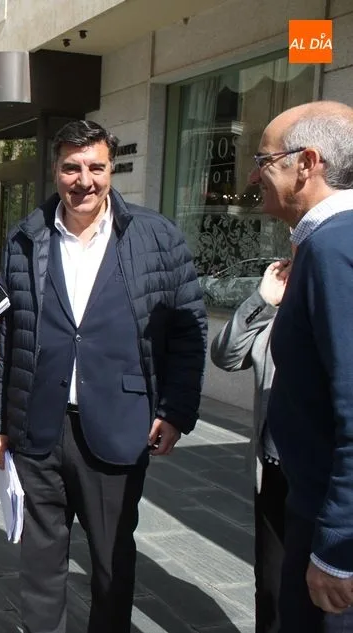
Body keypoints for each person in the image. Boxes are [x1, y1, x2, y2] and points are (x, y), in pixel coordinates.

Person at [0, 119, 207, 633]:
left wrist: (176, 411)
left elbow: (188, 329)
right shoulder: (25, 235)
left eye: (95, 167)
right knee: (40, 563)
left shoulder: (155, 235)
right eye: (71, 167)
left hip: (119, 423)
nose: (83, 179)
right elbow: (9, 335)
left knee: (110, 563)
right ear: (56, 169)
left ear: (111, 169)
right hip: (38, 422)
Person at [258, 100, 353, 631]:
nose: (254, 174)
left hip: (329, 522)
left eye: (265, 159)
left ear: (306, 162)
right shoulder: (323, 244)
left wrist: (338, 546)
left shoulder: (335, 248)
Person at [211, 254, 291, 633]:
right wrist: (262, 299)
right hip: (275, 470)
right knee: (272, 590)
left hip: (327, 477)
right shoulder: (277, 309)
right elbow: (225, 355)